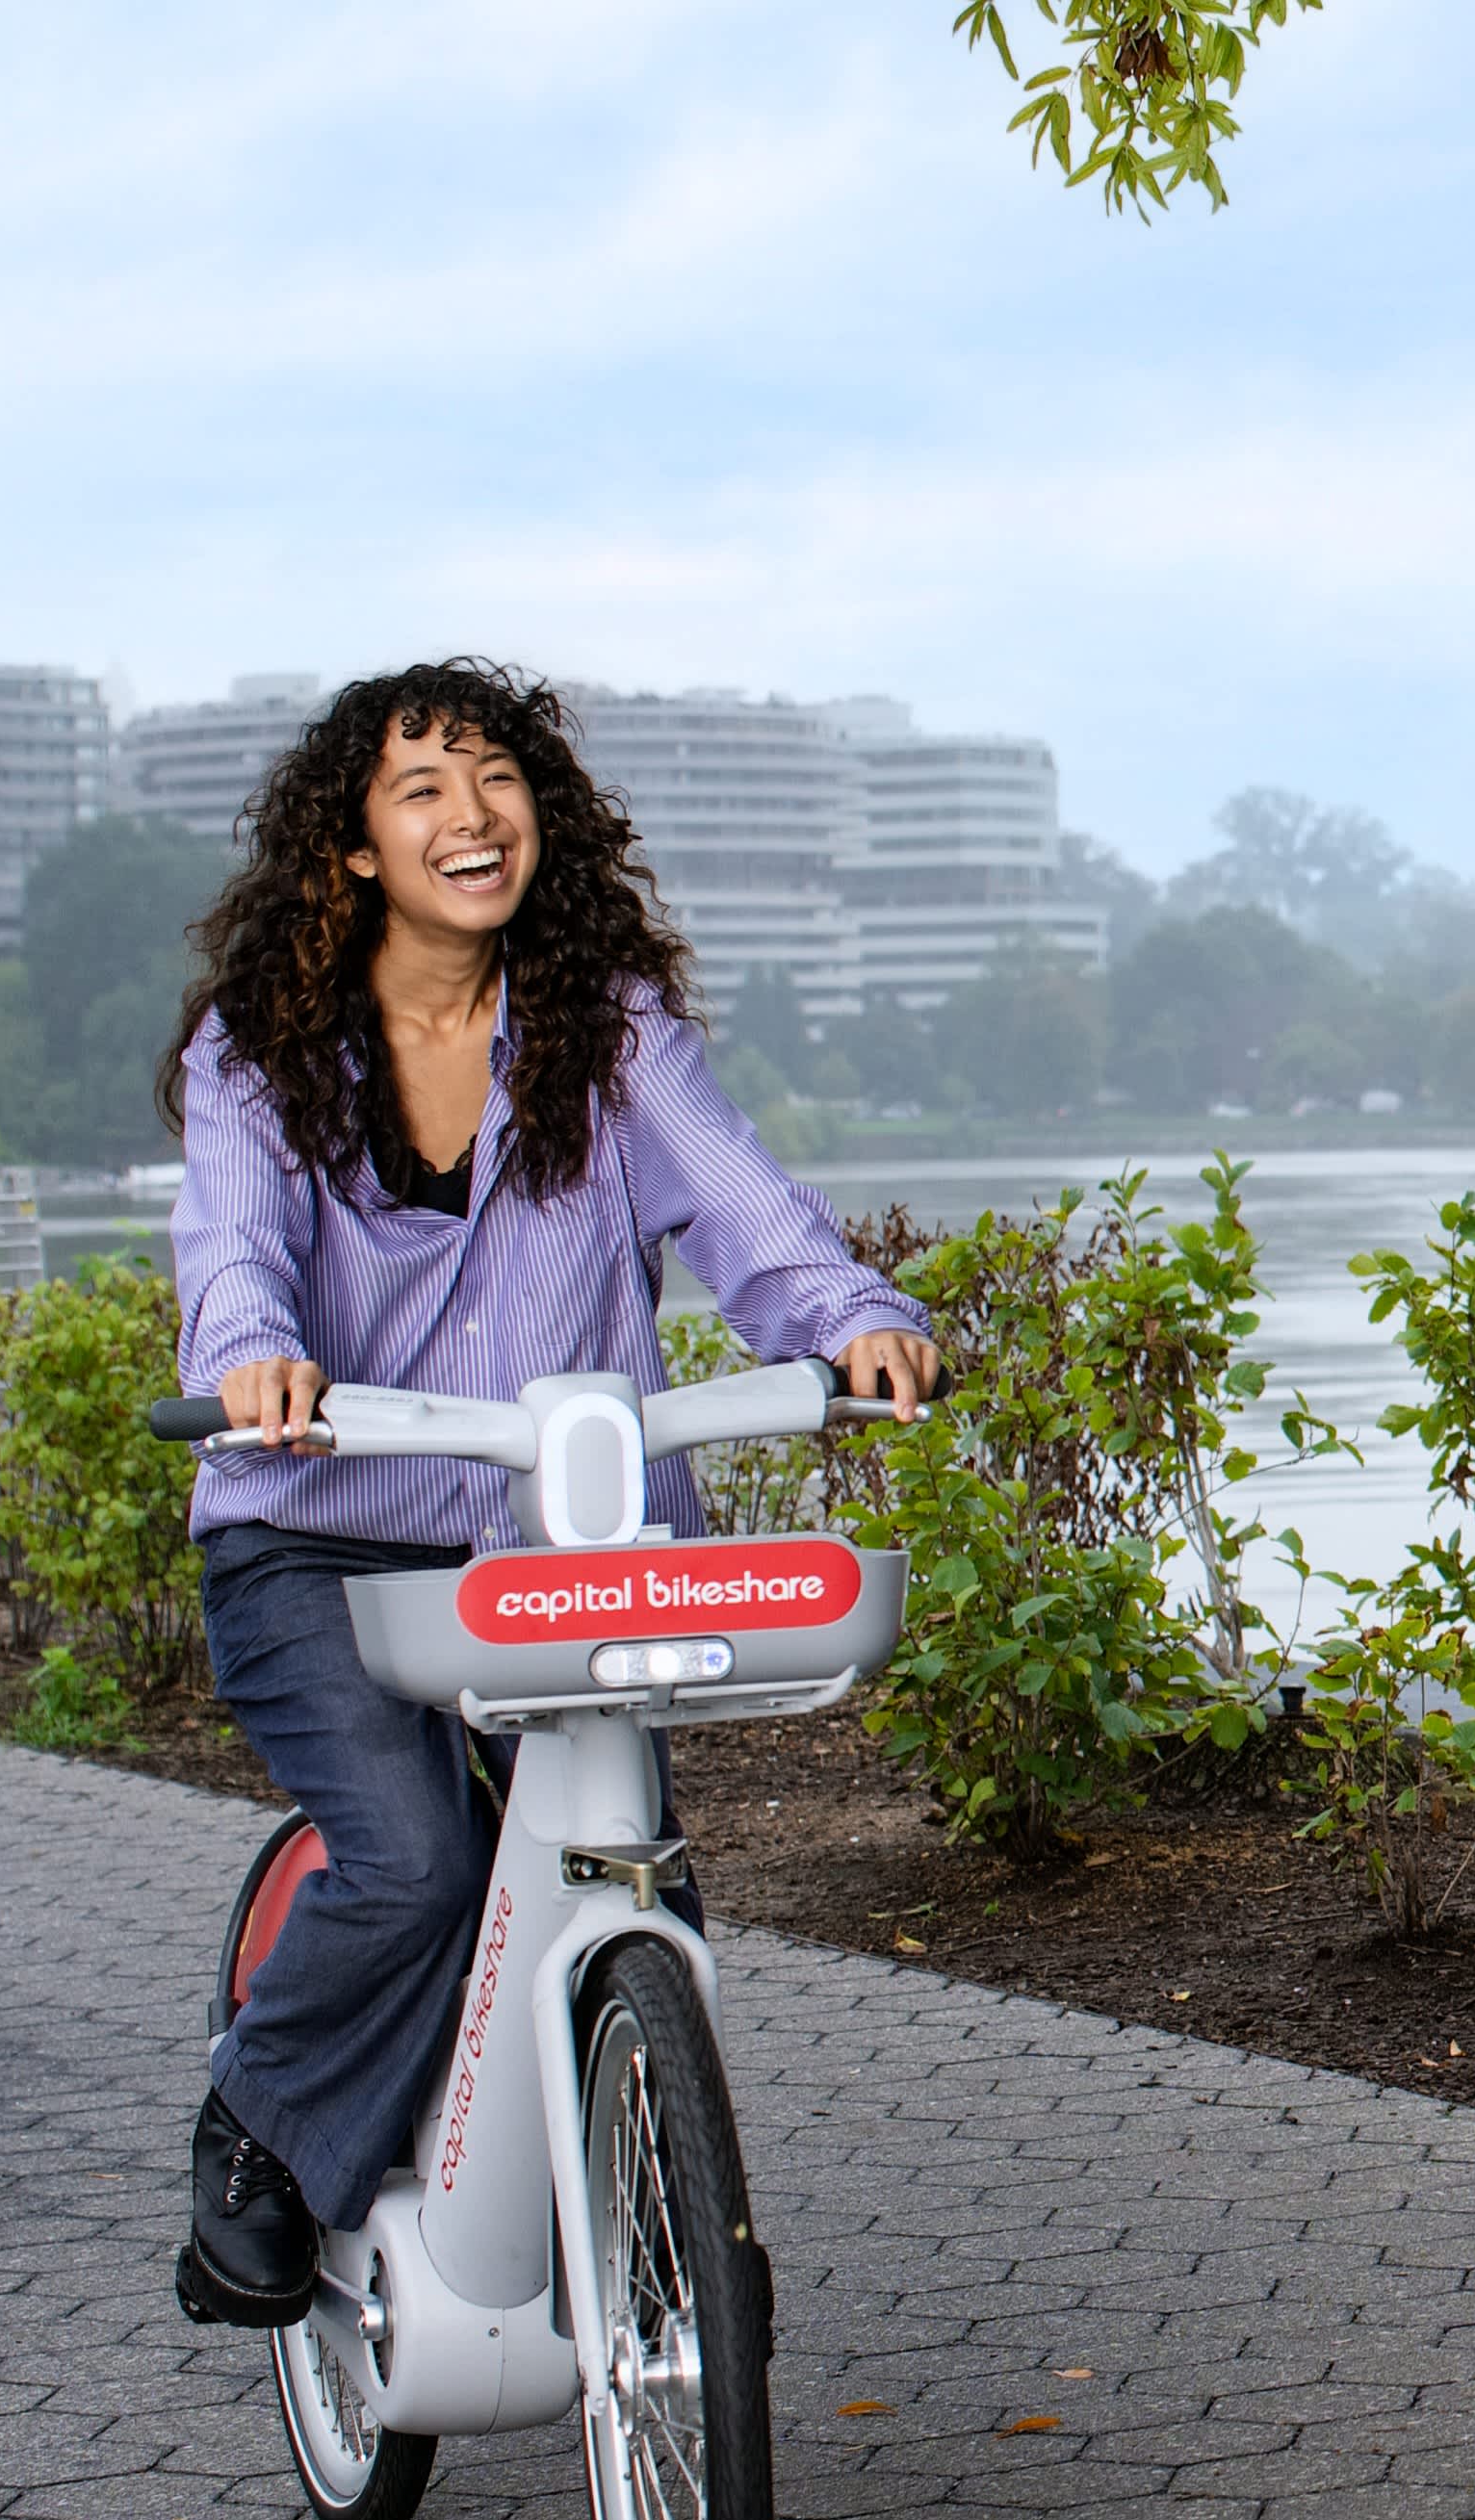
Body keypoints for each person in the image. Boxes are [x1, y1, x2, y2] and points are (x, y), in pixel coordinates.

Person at [166, 660, 938, 2327]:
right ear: (355, 846)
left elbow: (752, 1212)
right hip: (324, 1541)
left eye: (499, 778)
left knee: (632, 1876)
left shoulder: (612, 1034)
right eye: (423, 788)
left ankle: (649, 2216)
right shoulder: (265, 1052)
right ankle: (263, 2125)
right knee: (418, 1867)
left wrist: (856, 1322)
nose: (471, 815)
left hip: (558, 1551)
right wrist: (256, 1363)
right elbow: (232, 1256)